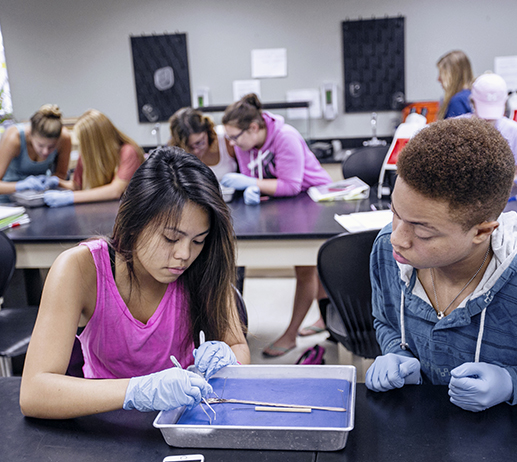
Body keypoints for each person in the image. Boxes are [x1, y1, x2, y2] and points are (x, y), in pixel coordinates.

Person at [366, 117, 517, 412]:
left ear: (483, 231)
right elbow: (385, 319)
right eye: (395, 213)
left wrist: (514, 382)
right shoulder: (388, 251)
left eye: (423, 232)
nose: (398, 238)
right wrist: (397, 352)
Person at [20, 146, 250, 419]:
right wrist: (137, 391)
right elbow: (34, 393)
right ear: (134, 222)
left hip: (185, 419)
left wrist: (229, 362)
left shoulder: (204, 265)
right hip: (104, 423)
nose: (184, 255)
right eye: (170, 238)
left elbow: (238, 347)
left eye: (198, 240)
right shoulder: (80, 269)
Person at [221, 93, 332, 357]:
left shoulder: (286, 136)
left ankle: (291, 335)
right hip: (281, 202)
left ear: (255, 128)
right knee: (315, 267)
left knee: (307, 268)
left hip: (312, 200)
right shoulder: (242, 143)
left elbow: (291, 185)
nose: (232, 143)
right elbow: (253, 176)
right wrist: (253, 188)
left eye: (235, 137)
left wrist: (253, 185)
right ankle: (324, 320)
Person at [43, 109, 145, 207]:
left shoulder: (128, 152)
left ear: (94, 142)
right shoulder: (86, 156)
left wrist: (71, 197)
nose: (81, 147)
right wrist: (56, 182)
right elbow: (77, 186)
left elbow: (116, 191)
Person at [0, 104, 71, 202]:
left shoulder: (64, 139)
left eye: (51, 147)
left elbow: (61, 174)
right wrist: (20, 186)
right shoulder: (13, 138)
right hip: (8, 200)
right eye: (40, 145)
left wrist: (52, 181)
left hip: (38, 198)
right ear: (31, 135)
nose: (46, 152)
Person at [460, 72, 517, 170]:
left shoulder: (514, 131)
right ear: (472, 102)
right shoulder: (457, 128)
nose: (488, 119)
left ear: (505, 103)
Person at [169, 107, 238, 179]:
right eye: (189, 147)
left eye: (199, 143)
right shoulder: (174, 152)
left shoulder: (227, 140)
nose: (196, 151)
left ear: (207, 131)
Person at [436, 50, 474, 120]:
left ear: (454, 75)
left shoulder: (457, 101)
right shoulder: (471, 96)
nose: (438, 79)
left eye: (442, 74)